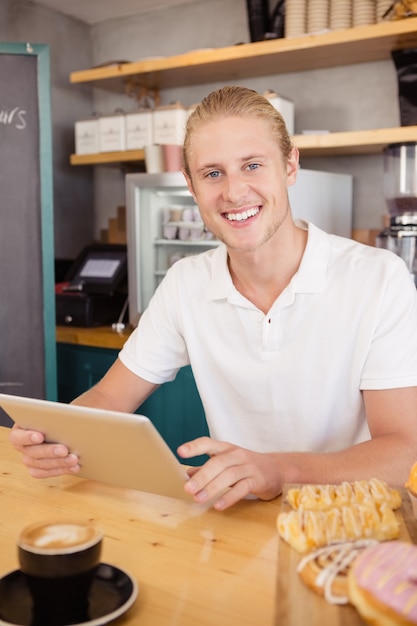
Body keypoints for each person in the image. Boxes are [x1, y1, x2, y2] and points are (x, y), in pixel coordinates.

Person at [10, 86, 417, 511]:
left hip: (353, 522)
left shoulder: (377, 278)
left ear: (290, 165)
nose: (234, 192)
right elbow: (110, 399)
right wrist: (57, 435)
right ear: (190, 185)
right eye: (213, 173)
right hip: (235, 519)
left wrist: (280, 471)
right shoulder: (186, 282)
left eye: (253, 165)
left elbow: (403, 449)